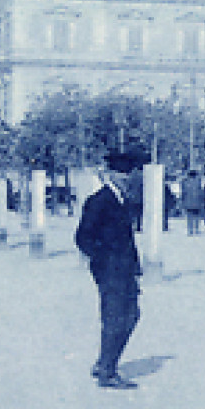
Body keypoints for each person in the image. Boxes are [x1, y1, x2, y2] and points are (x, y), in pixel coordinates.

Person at [75, 150, 145, 389]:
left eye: (128, 173)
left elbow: (128, 239)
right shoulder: (99, 201)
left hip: (125, 270)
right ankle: (107, 370)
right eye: (121, 173)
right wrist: (103, 262)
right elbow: (83, 237)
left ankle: (104, 362)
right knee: (117, 317)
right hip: (110, 271)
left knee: (131, 315)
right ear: (109, 175)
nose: (126, 177)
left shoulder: (123, 200)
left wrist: (135, 266)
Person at [181, 169, 205, 235]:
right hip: (197, 202)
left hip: (188, 202)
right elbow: (201, 192)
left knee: (189, 217)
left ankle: (190, 230)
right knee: (197, 216)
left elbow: (183, 193)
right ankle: (196, 229)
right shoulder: (198, 182)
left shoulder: (185, 182)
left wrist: (183, 202)